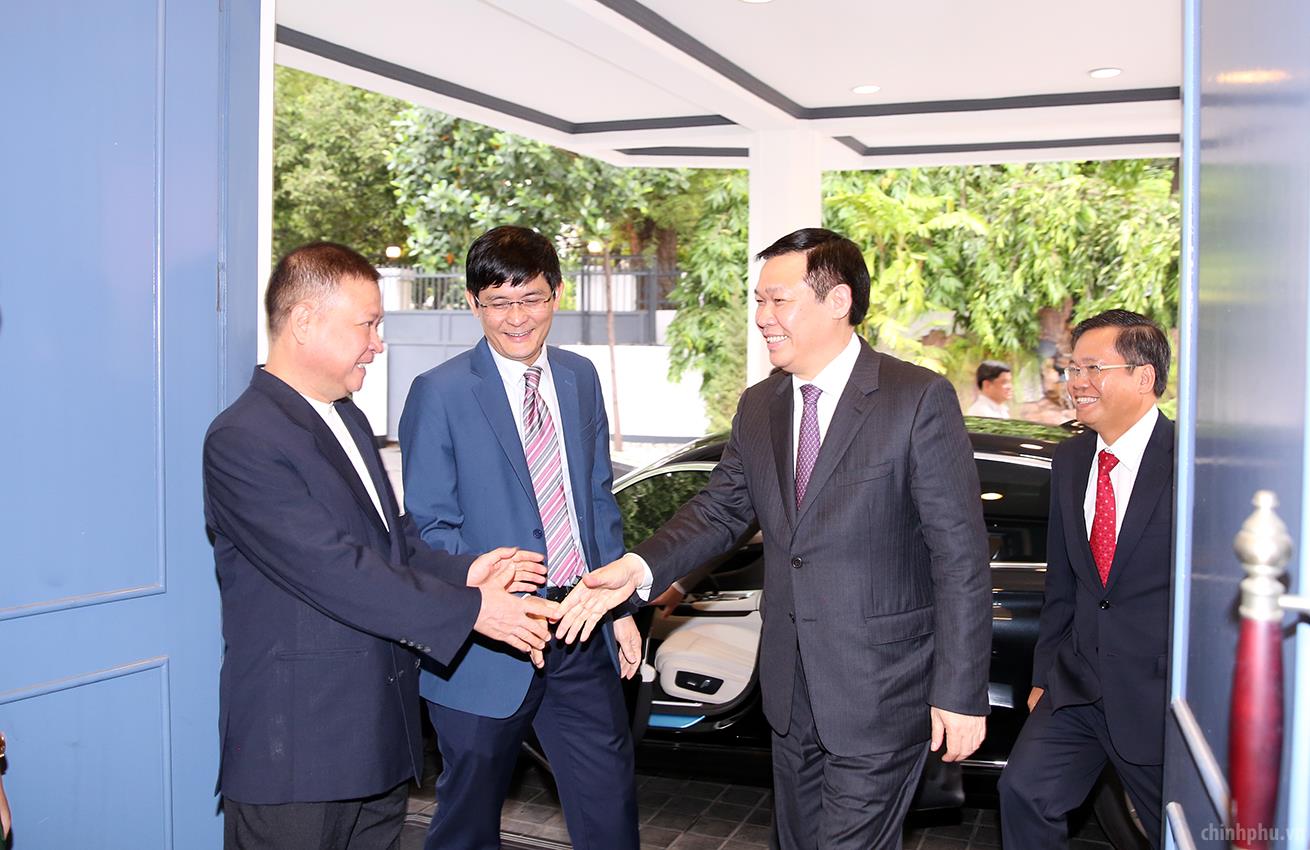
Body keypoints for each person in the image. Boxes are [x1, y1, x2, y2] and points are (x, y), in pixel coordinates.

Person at [558, 228, 992, 850]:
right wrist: (637, 568)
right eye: (759, 301)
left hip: (881, 689)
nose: (762, 317)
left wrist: (960, 692)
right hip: (789, 691)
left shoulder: (915, 398)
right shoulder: (760, 405)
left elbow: (960, 557)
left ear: (838, 301)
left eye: (778, 300)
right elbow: (721, 510)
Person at [203, 242, 557, 850]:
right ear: (305, 321)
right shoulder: (243, 437)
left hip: (376, 740)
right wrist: (475, 611)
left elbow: (390, 542)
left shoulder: (346, 417)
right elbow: (335, 570)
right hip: (299, 751)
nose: (378, 344)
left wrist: (467, 571)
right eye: (367, 325)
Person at [398, 226, 641, 850]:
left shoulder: (580, 377)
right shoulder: (439, 392)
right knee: (468, 820)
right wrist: (488, 588)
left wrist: (618, 607)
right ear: (473, 303)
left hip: (580, 624)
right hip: (488, 637)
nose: (516, 318)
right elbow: (428, 526)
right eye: (498, 302)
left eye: (530, 298)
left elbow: (596, 500)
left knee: (610, 806)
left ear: (556, 293)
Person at [998, 309, 1174, 848]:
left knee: (1178, 831)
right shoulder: (1072, 458)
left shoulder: (1190, 462)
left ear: (1143, 377)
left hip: (1154, 693)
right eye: (1072, 369)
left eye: (1093, 368)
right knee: (1024, 793)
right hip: (1076, 685)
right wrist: (1044, 675)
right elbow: (1064, 581)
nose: (1076, 382)